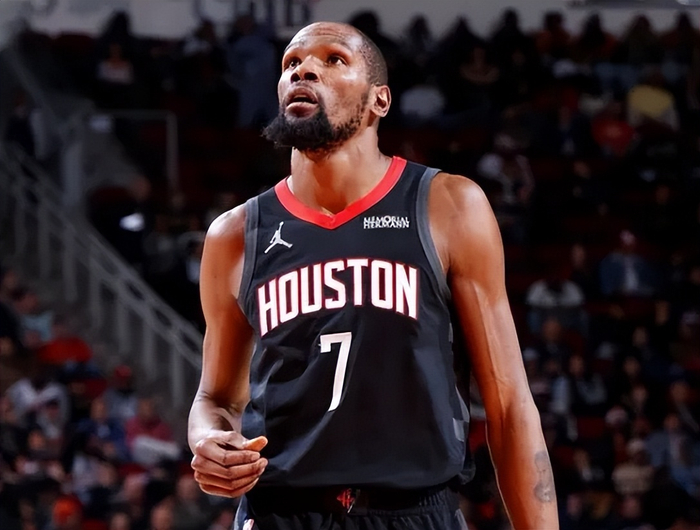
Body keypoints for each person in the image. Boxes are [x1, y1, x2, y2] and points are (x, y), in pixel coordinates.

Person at [188, 22, 557, 530]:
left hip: (413, 512)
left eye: (333, 59)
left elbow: (510, 403)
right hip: (279, 513)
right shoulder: (235, 234)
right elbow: (215, 399)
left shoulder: (448, 206)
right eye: (292, 63)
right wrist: (208, 440)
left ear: (379, 101)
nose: (304, 70)